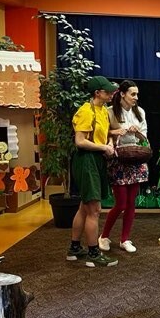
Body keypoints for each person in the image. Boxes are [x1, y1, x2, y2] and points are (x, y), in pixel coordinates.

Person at [66, 75, 119, 267]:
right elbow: (80, 141)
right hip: (86, 160)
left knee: (84, 206)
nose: (112, 93)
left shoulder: (103, 111)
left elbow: (105, 133)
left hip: (96, 159)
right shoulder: (86, 111)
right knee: (94, 210)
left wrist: (109, 142)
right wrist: (103, 147)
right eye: (108, 91)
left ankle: (74, 249)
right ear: (97, 93)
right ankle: (93, 253)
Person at [98, 80, 148, 253]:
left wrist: (137, 131)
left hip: (136, 159)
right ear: (122, 94)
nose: (136, 97)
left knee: (131, 203)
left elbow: (144, 137)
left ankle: (125, 239)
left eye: (137, 94)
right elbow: (102, 134)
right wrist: (116, 131)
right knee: (120, 204)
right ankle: (104, 236)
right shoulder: (109, 112)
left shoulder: (140, 112)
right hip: (118, 160)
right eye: (133, 94)